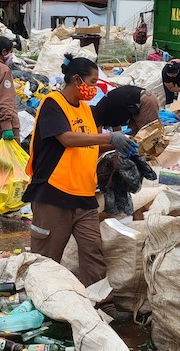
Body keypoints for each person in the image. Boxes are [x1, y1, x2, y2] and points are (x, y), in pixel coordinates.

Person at [23, 54, 137, 314]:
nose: (95, 87)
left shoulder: (86, 109)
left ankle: (102, 306)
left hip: (84, 195)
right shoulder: (54, 104)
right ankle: (37, 306)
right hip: (54, 193)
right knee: (46, 257)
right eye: (92, 81)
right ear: (76, 79)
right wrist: (109, 136)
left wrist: (122, 144)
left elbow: (91, 141)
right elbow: (67, 139)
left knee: (92, 252)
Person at [92, 84, 160, 134]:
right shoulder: (107, 111)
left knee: (149, 136)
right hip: (133, 105)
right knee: (134, 136)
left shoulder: (97, 113)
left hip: (143, 100)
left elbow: (98, 136)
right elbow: (117, 131)